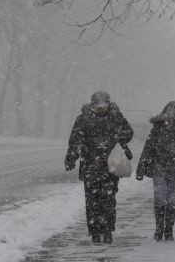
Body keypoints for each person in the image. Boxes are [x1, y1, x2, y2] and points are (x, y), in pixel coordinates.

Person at [64, 90, 134, 244]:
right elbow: (75, 140)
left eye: (104, 105)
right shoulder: (83, 119)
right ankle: (95, 231)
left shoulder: (116, 117)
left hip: (110, 167)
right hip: (90, 167)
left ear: (108, 104)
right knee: (92, 202)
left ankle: (107, 230)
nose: (101, 108)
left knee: (108, 200)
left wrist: (117, 138)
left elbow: (129, 132)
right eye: (98, 105)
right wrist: (71, 158)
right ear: (92, 105)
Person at [136, 101, 175, 241]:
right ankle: (159, 229)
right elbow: (148, 146)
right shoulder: (158, 127)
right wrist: (141, 168)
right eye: (168, 113)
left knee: (172, 200)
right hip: (159, 168)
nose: (170, 117)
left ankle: (169, 230)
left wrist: (174, 133)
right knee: (160, 198)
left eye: (173, 114)